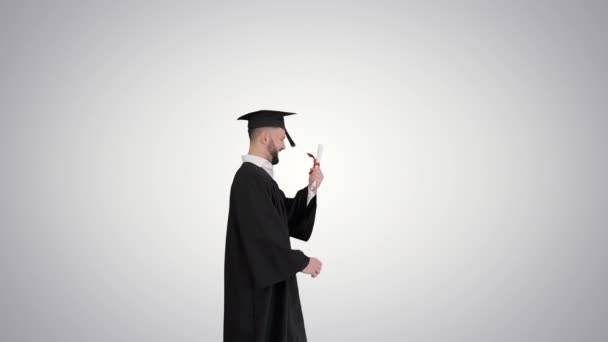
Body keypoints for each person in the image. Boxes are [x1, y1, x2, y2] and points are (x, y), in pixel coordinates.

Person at [223, 110, 324, 342]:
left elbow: (283, 217)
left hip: (270, 287)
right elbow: (258, 241)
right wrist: (302, 261)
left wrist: (311, 189)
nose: (284, 146)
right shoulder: (248, 180)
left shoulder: (259, 179)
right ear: (265, 138)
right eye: (281, 138)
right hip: (257, 295)